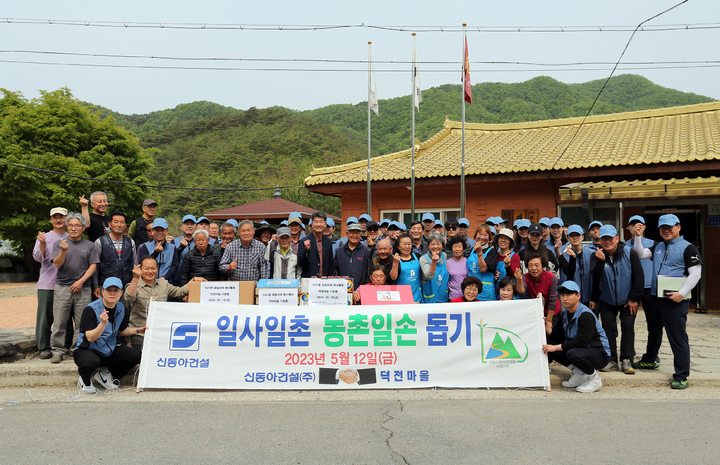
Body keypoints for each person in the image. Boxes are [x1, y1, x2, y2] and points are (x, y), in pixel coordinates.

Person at [633, 214, 702, 389]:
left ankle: (681, 375)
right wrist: (638, 236)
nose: (666, 230)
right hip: (656, 297)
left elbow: (696, 274)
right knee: (654, 330)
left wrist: (682, 293)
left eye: (670, 227)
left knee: (677, 337)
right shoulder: (658, 246)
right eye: (663, 227)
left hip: (675, 299)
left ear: (678, 227)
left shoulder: (689, 248)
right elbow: (640, 253)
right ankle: (650, 360)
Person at [74, 277, 145, 393]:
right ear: (102, 292)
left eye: (116, 290)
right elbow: (90, 337)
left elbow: (120, 330)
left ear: (121, 292)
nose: (112, 293)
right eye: (109, 290)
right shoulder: (90, 309)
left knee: (138, 354)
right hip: (87, 350)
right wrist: (103, 323)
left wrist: (138, 330)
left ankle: (107, 375)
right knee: (90, 362)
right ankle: (85, 381)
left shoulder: (121, 308)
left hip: (108, 350)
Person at [590, 224, 644, 374]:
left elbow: (638, 276)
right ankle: (611, 359)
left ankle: (626, 359)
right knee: (608, 329)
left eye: (610, 239)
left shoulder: (629, 253)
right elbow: (594, 276)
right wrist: (600, 261)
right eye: (604, 239)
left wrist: (634, 298)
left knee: (627, 327)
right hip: (607, 300)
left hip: (628, 300)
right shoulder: (597, 255)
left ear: (617, 239)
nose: (607, 242)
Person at [542, 281, 611, 393]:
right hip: (581, 350)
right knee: (549, 344)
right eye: (563, 295)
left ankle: (595, 379)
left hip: (600, 353)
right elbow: (555, 336)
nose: (565, 298)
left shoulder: (585, 315)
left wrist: (555, 347)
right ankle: (579, 374)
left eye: (569, 294)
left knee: (572, 353)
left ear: (578, 296)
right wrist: (546, 324)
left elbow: (582, 342)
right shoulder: (565, 314)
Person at [49, 212, 100, 363]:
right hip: (62, 287)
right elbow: (57, 264)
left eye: (77, 225)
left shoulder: (90, 245)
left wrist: (80, 281)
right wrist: (63, 251)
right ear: (67, 226)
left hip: (83, 288)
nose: (73, 228)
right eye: (70, 225)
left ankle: (77, 349)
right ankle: (57, 351)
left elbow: (93, 267)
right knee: (59, 321)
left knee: (81, 322)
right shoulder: (59, 244)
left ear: (83, 228)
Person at [33, 207, 73, 359]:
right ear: (51, 220)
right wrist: (42, 244)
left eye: (61, 217)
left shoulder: (72, 236)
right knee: (45, 317)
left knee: (66, 316)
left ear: (66, 219)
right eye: (55, 217)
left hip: (67, 283)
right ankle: (44, 347)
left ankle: (65, 345)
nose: (58, 220)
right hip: (47, 283)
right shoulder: (44, 237)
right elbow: (37, 258)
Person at [124, 258, 192, 348]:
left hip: (161, 332)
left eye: (153, 268)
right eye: (147, 268)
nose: (150, 271)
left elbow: (180, 292)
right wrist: (135, 278)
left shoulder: (164, 284)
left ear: (157, 269)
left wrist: (194, 281)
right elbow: (129, 297)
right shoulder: (134, 284)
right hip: (140, 334)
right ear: (140, 270)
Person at [92, 211, 136, 299]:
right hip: (106, 286)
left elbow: (135, 264)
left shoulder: (130, 242)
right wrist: (95, 285)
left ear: (125, 225)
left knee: (125, 311)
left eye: (122, 222)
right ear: (110, 224)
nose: (119, 225)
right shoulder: (100, 242)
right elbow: (95, 266)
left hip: (126, 286)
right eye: (116, 222)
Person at [558, 225, 593, 307]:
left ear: (582, 237)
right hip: (572, 299)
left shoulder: (591, 254)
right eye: (572, 236)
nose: (575, 238)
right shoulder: (564, 256)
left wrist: (594, 298)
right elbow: (569, 274)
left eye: (577, 235)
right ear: (567, 238)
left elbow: (595, 277)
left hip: (589, 297)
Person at [523, 252, 561, 329]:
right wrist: (519, 280)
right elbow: (521, 293)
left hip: (552, 311)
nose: (534, 268)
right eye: (530, 265)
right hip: (536, 311)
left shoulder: (552, 278)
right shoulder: (525, 277)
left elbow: (552, 300)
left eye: (537, 265)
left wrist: (549, 320)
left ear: (543, 266)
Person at [137, 218, 179, 283]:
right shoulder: (145, 247)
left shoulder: (172, 247)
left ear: (167, 231)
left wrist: (165, 278)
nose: (160, 233)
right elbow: (143, 264)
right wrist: (155, 252)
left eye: (162, 230)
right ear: (153, 231)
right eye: (157, 230)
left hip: (166, 283)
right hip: (149, 283)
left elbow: (175, 265)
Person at [334, 223, 371, 295]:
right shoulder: (339, 251)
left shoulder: (367, 251)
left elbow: (368, 274)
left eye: (357, 233)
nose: (354, 235)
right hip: (342, 292)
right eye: (352, 233)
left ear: (361, 235)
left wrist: (360, 291)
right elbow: (335, 272)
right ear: (347, 233)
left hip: (361, 293)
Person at [296, 212, 333, 278]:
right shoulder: (304, 241)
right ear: (312, 224)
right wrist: (306, 250)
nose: (318, 224)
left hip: (324, 281)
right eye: (316, 222)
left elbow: (330, 264)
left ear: (325, 224)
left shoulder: (328, 241)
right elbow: (300, 263)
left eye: (321, 222)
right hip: (309, 280)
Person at [467, 224, 497, 301]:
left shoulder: (492, 251)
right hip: (471, 291)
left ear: (489, 238)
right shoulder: (471, 250)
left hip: (486, 291)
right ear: (475, 235)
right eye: (480, 234)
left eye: (485, 235)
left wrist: (479, 252)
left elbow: (483, 269)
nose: (482, 237)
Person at [389, 234, 423, 303]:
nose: (407, 247)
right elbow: (393, 277)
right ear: (398, 246)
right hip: (401, 298)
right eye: (404, 244)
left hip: (417, 296)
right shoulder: (395, 259)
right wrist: (395, 263)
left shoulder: (418, 256)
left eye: (409, 244)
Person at [420, 233, 450, 303]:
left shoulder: (444, 255)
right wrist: (434, 261)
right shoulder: (424, 259)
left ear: (442, 245)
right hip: (430, 299)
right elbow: (429, 276)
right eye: (432, 244)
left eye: (438, 244)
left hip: (443, 298)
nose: (436, 247)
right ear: (428, 246)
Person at [446, 235, 468, 300]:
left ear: (463, 248)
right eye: (454, 246)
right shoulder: (447, 263)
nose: (457, 249)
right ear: (451, 248)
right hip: (452, 297)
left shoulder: (467, 262)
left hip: (466, 297)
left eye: (459, 246)